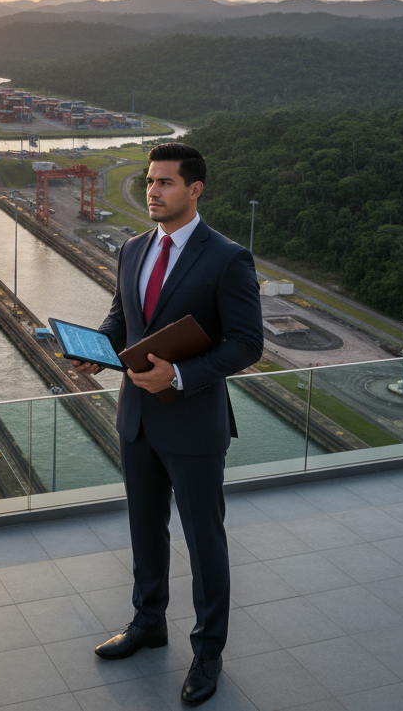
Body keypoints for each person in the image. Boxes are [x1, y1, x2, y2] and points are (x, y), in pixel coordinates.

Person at [71, 142, 262, 706]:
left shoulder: (228, 258)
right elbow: (122, 319)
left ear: (194, 189)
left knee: (205, 543)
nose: (152, 191)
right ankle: (148, 622)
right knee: (144, 530)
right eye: (150, 180)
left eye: (165, 183)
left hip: (194, 423)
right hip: (136, 418)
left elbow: (247, 343)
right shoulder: (134, 248)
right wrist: (97, 348)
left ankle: (207, 653)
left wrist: (179, 375)